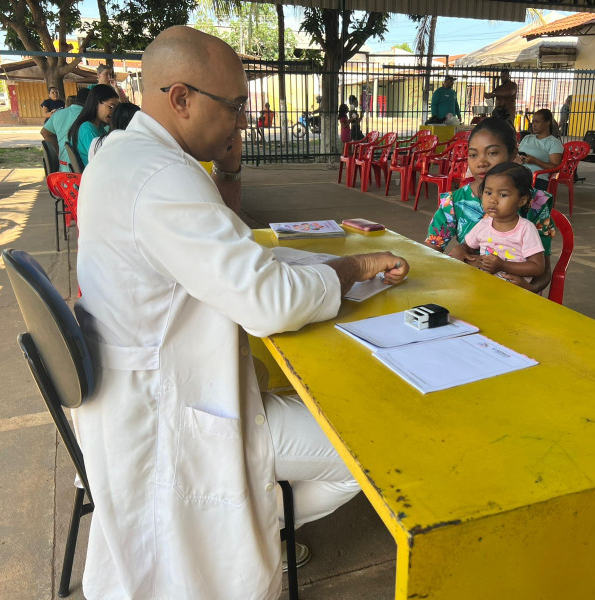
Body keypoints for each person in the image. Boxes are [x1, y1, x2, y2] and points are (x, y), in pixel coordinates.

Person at [73, 25, 409, 600]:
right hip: (173, 412)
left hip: (148, 386)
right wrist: (354, 270)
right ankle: (261, 519)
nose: (242, 121)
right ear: (180, 98)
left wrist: (230, 174)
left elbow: (233, 248)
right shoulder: (162, 177)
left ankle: (256, 516)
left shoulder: (126, 153)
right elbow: (267, 301)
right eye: (234, 106)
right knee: (367, 455)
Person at [424, 117, 556, 294]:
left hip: (517, 297)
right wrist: (462, 257)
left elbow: (544, 271)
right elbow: (429, 254)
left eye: (492, 153)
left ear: (513, 153)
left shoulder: (535, 203)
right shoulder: (454, 202)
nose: (481, 162)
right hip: (470, 290)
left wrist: (529, 289)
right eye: (473, 154)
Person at [450, 162, 545, 281]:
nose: (492, 200)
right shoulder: (483, 225)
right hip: (484, 284)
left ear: (522, 200)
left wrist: (503, 265)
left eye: (503, 195)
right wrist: (459, 250)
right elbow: (466, 247)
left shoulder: (526, 229)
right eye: (488, 193)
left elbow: (538, 267)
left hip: (512, 292)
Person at [67, 84, 118, 169]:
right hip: (94, 178)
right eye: (111, 106)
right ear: (97, 103)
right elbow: (103, 161)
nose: (113, 112)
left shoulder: (98, 127)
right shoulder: (87, 129)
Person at [40, 87, 90, 171]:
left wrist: (59, 150)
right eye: (53, 92)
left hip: (63, 172)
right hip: (83, 173)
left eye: (56, 92)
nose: (55, 94)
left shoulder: (58, 113)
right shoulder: (89, 116)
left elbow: (45, 132)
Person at [516, 108, 564, 191]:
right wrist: (517, 158)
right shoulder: (527, 138)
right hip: (518, 174)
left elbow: (555, 166)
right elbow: (516, 154)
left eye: (537, 122)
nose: (533, 125)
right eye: (533, 121)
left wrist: (535, 161)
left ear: (547, 123)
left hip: (537, 178)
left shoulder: (553, 142)